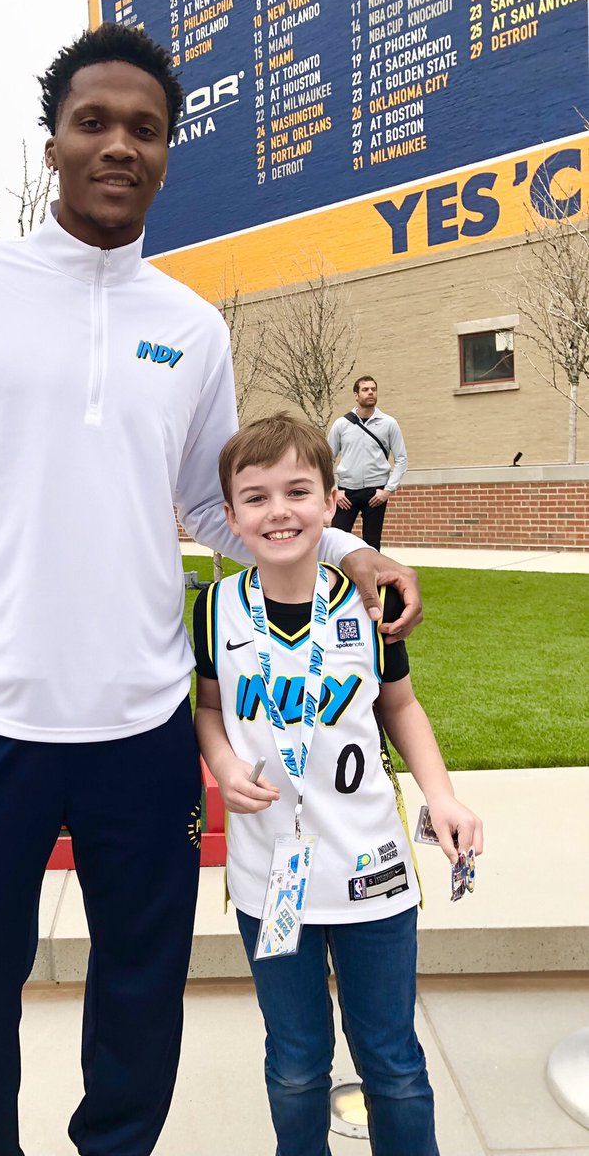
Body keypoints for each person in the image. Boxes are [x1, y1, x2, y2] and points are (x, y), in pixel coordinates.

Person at [0, 25, 423, 1156]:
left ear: (167, 154)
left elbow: (218, 509)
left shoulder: (190, 328)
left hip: (143, 727)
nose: (117, 145)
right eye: (92, 123)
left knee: (141, 1002)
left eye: (143, 130)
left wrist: (351, 554)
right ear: (51, 142)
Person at [193, 413, 483, 1156]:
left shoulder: (363, 603)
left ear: (331, 505)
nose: (278, 510)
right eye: (254, 498)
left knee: (392, 1064)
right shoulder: (213, 611)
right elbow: (210, 710)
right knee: (295, 1067)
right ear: (227, 518)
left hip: (371, 874)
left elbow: (401, 706)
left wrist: (441, 795)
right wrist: (224, 766)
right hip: (271, 881)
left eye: (297, 491)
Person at [328, 375, 408, 551]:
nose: (370, 392)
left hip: (376, 492)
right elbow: (326, 459)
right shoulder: (341, 424)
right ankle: (337, 577)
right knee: (336, 540)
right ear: (356, 395)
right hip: (346, 493)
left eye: (373, 389)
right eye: (365, 389)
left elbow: (401, 459)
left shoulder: (389, 423)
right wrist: (335, 490)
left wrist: (387, 490)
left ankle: (372, 579)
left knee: (372, 543)